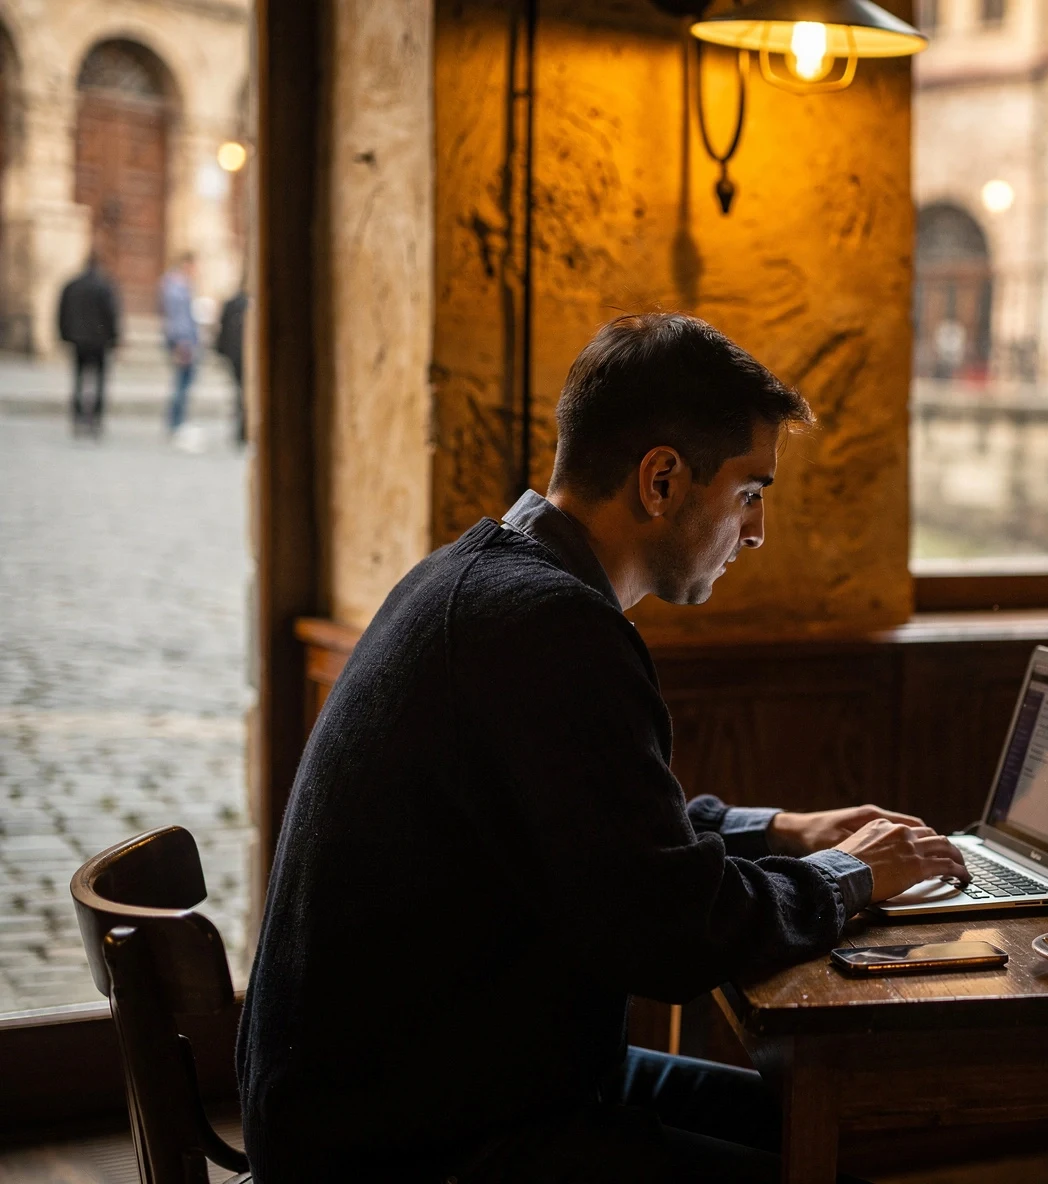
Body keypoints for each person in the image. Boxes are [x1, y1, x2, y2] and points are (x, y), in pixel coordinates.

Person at [238, 313, 969, 1183]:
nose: (758, 529)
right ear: (661, 480)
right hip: (415, 1142)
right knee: (817, 1154)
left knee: (820, 1132)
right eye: (749, 491)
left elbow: (602, 838)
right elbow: (670, 930)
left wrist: (784, 832)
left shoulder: (478, 575)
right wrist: (854, 877)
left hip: (420, 1092)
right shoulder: (551, 627)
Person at [56, 256, 120, 438]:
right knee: (99, 382)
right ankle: (96, 419)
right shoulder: (104, 286)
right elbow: (111, 313)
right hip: (99, 342)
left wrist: (63, 335)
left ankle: (77, 417)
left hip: (78, 340)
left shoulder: (72, 285)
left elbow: (61, 311)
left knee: (78, 380)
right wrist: (115, 338)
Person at [159, 252, 200, 434]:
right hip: (182, 341)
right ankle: (176, 423)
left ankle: (177, 422)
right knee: (181, 383)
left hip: (184, 339)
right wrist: (182, 343)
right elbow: (178, 318)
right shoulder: (177, 287)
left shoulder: (178, 285)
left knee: (183, 382)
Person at [216, 288, 248, 446]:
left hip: (236, 356)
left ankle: (243, 430)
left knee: (241, 394)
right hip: (238, 356)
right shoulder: (239, 304)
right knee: (242, 393)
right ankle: (242, 430)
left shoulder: (236, 303)